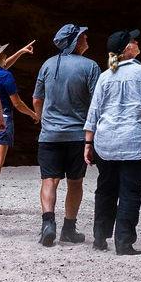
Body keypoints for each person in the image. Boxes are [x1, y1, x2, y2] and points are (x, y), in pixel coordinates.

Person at [83, 29, 141, 255]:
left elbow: (94, 112)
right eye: (133, 40)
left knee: (105, 191)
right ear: (127, 49)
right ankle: (124, 243)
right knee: (130, 193)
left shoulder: (104, 76)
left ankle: (99, 238)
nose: (137, 42)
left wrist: (88, 143)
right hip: (136, 143)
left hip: (106, 143)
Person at [32, 24, 101, 247]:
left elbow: (36, 99)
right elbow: (97, 102)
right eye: (82, 36)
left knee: (49, 180)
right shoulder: (90, 67)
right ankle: (68, 229)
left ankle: (47, 224)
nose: (86, 37)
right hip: (77, 135)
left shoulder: (47, 65)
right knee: (75, 181)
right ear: (75, 41)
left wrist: (43, 120)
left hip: (49, 135)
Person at [0, 39, 39, 214]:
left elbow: (3, 66)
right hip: (0, 119)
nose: (5, 56)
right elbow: (16, 103)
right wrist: (33, 114)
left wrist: (20, 52)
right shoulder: (6, 76)